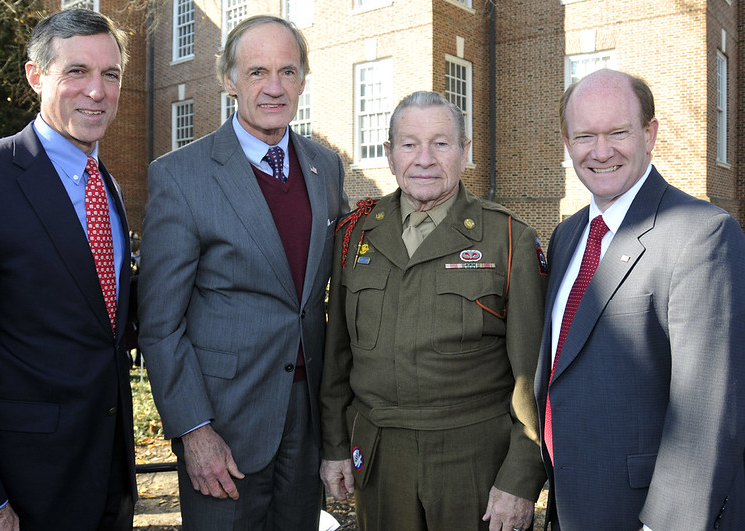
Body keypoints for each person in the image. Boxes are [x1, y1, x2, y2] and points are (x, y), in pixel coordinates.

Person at [137, 15, 349, 531]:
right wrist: (194, 430)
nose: (274, 88)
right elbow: (160, 324)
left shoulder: (326, 167)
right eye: (257, 72)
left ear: (302, 79)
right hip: (223, 426)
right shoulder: (181, 176)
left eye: (287, 71)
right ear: (228, 80)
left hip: (304, 419)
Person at [319, 91, 548, 531]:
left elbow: (533, 377)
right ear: (388, 155)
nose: (424, 158)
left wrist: (521, 478)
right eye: (409, 144)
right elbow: (336, 356)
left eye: (441, 144)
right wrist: (333, 445)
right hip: (380, 455)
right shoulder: (355, 235)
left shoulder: (506, 238)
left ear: (464, 153)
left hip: (474, 460)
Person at [0, 8, 135, 531]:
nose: (97, 90)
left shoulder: (109, 188)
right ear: (36, 75)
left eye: (110, 74)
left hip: (109, 478)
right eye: (77, 71)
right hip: (20, 487)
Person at [535, 68, 745, 530]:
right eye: (585, 135)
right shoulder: (568, 235)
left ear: (649, 134)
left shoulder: (702, 234)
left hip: (646, 514)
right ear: (568, 143)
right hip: (572, 505)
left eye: (618, 132)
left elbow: (707, 412)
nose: (601, 151)